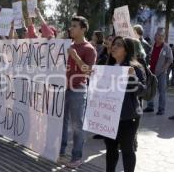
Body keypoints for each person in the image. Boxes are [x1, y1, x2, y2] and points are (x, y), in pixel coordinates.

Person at [59, 16, 97, 169]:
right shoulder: (67, 44)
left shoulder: (89, 49)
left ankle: (77, 157)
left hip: (78, 90)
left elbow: (88, 72)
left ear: (83, 29)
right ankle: (60, 152)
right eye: (71, 26)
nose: (71, 28)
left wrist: (75, 56)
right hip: (63, 88)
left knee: (77, 126)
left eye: (74, 26)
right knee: (61, 123)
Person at [104, 36, 146, 172]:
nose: (113, 47)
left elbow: (141, 91)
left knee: (127, 150)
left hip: (128, 118)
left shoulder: (135, 68)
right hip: (109, 115)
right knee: (110, 149)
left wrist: (132, 77)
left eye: (118, 45)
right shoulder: (106, 66)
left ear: (127, 51)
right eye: (113, 44)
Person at [143, 29, 173, 115]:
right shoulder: (152, 46)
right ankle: (150, 106)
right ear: (155, 37)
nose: (160, 37)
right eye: (158, 35)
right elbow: (149, 57)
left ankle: (161, 109)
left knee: (162, 91)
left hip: (161, 73)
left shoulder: (166, 47)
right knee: (150, 90)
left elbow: (170, 59)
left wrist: (164, 68)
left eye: (162, 36)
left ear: (164, 38)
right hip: (151, 72)